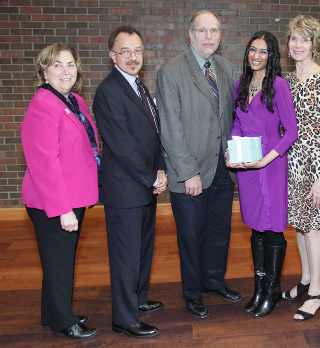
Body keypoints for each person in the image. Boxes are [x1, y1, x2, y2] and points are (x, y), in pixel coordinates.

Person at [155, 10, 241, 319]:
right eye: (202, 31)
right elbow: (170, 126)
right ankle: (192, 292)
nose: (208, 36)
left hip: (223, 167)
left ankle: (213, 281)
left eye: (213, 31)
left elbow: (237, 117)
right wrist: (187, 171)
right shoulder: (171, 71)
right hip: (190, 171)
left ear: (220, 36)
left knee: (219, 231)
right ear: (191, 34)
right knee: (191, 235)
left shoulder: (228, 69)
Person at [20, 43, 99, 340]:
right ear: (44, 71)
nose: (65, 71)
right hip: (52, 201)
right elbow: (44, 164)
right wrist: (63, 209)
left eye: (70, 64)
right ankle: (65, 321)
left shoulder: (72, 100)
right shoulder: (43, 104)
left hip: (71, 195)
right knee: (59, 263)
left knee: (58, 260)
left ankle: (52, 315)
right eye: (57, 65)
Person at [93, 26, 167, 339]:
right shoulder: (108, 91)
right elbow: (123, 145)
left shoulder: (138, 85)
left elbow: (153, 132)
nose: (133, 57)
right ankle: (124, 318)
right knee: (126, 255)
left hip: (144, 185)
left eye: (137, 51)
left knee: (142, 248)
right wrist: (151, 176)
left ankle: (137, 298)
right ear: (112, 55)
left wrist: (161, 170)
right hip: (125, 188)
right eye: (125, 51)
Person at [227, 31, 298, 318]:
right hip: (247, 167)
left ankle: (272, 291)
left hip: (270, 164)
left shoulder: (278, 86)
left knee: (274, 227)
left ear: (272, 56)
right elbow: (236, 122)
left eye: (263, 51)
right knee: (256, 226)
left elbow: (291, 132)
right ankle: (258, 288)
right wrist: (232, 151)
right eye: (252, 50)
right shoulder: (241, 84)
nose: (256, 56)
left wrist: (265, 161)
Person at [282, 15, 320, 322]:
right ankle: (305, 279)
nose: (298, 44)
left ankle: (317, 290)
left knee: (313, 227)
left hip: (313, 168)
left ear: (314, 44)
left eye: (305, 39)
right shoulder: (288, 81)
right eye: (294, 38)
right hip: (290, 167)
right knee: (299, 225)